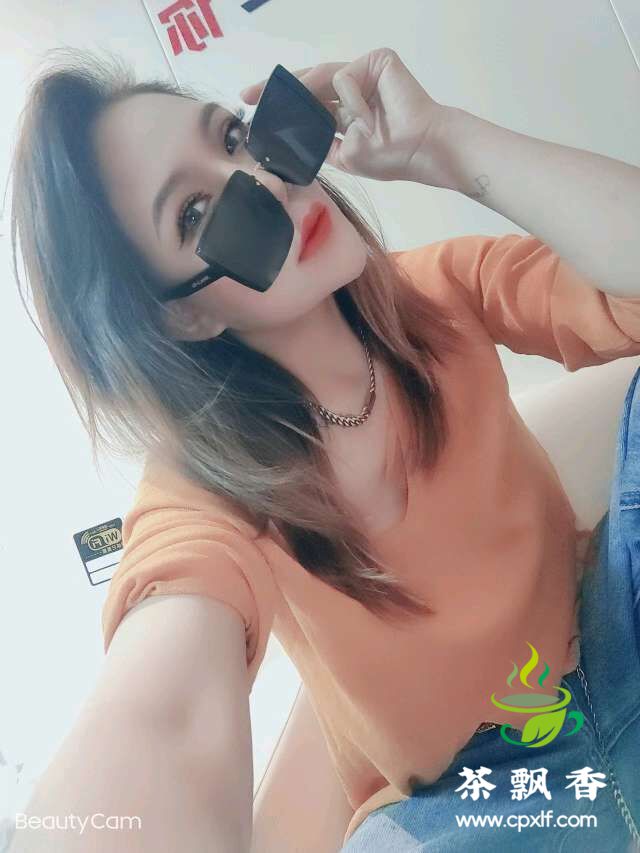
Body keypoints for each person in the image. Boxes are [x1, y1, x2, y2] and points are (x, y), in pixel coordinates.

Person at [6, 44, 640, 852]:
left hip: (610, 631)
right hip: (476, 795)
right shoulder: (205, 495)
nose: (266, 181)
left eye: (235, 138)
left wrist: (446, 142)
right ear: (184, 315)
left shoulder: (442, 291)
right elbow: (164, 706)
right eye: (194, 214)